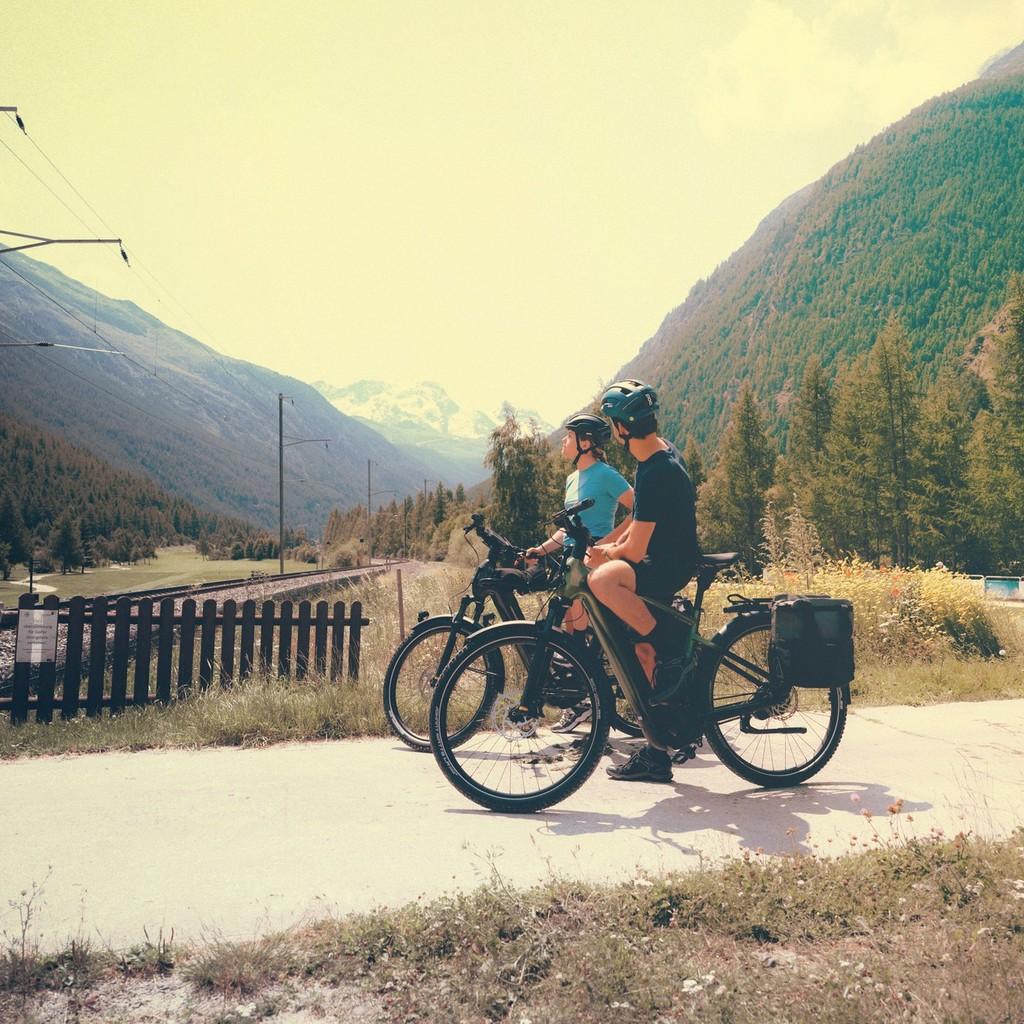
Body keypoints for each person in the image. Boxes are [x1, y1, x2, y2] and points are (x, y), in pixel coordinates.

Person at [584, 379, 699, 782]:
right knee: (635, 644)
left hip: (666, 563)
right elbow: (638, 520)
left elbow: (634, 552)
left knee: (602, 581)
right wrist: (606, 542)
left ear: (621, 427)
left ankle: (667, 645)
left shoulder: (653, 470)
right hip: (667, 556)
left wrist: (608, 555)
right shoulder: (657, 453)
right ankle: (657, 749)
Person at [524, 413, 633, 732]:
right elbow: (568, 531)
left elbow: (638, 510)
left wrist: (606, 543)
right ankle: (581, 699)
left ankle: (585, 702)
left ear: (586, 443)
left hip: (595, 561)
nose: (563, 441)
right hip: (573, 561)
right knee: (570, 631)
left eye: (568, 436)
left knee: (576, 630)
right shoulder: (572, 479)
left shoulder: (606, 475)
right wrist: (540, 550)